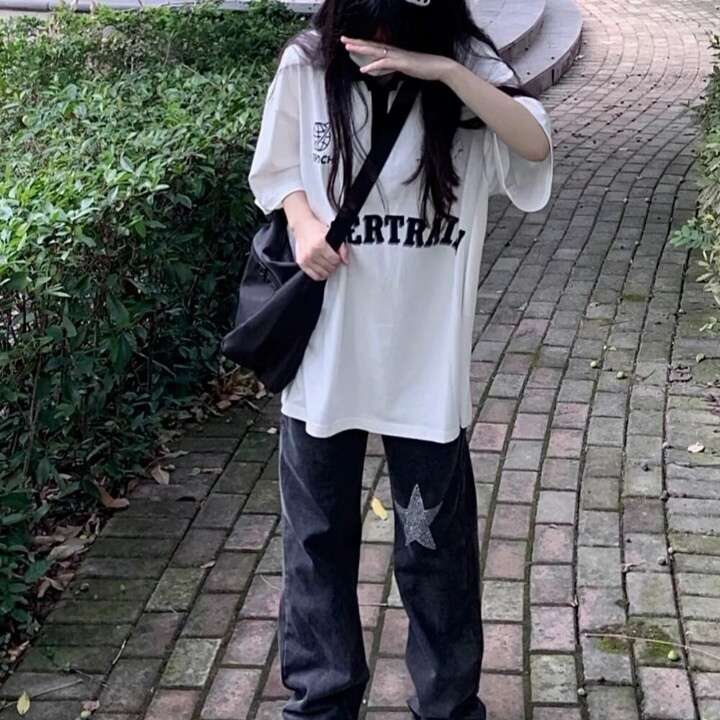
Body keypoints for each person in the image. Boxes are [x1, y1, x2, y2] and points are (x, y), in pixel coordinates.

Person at [248, 1, 553, 718]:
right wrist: (302, 222)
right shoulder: (309, 64)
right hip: (327, 356)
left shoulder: (467, 70)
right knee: (316, 545)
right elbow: (278, 168)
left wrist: (442, 70)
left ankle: (448, 706)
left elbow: (534, 143)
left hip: (423, 367)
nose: (379, 39)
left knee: (437, 554)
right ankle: (322, 702)